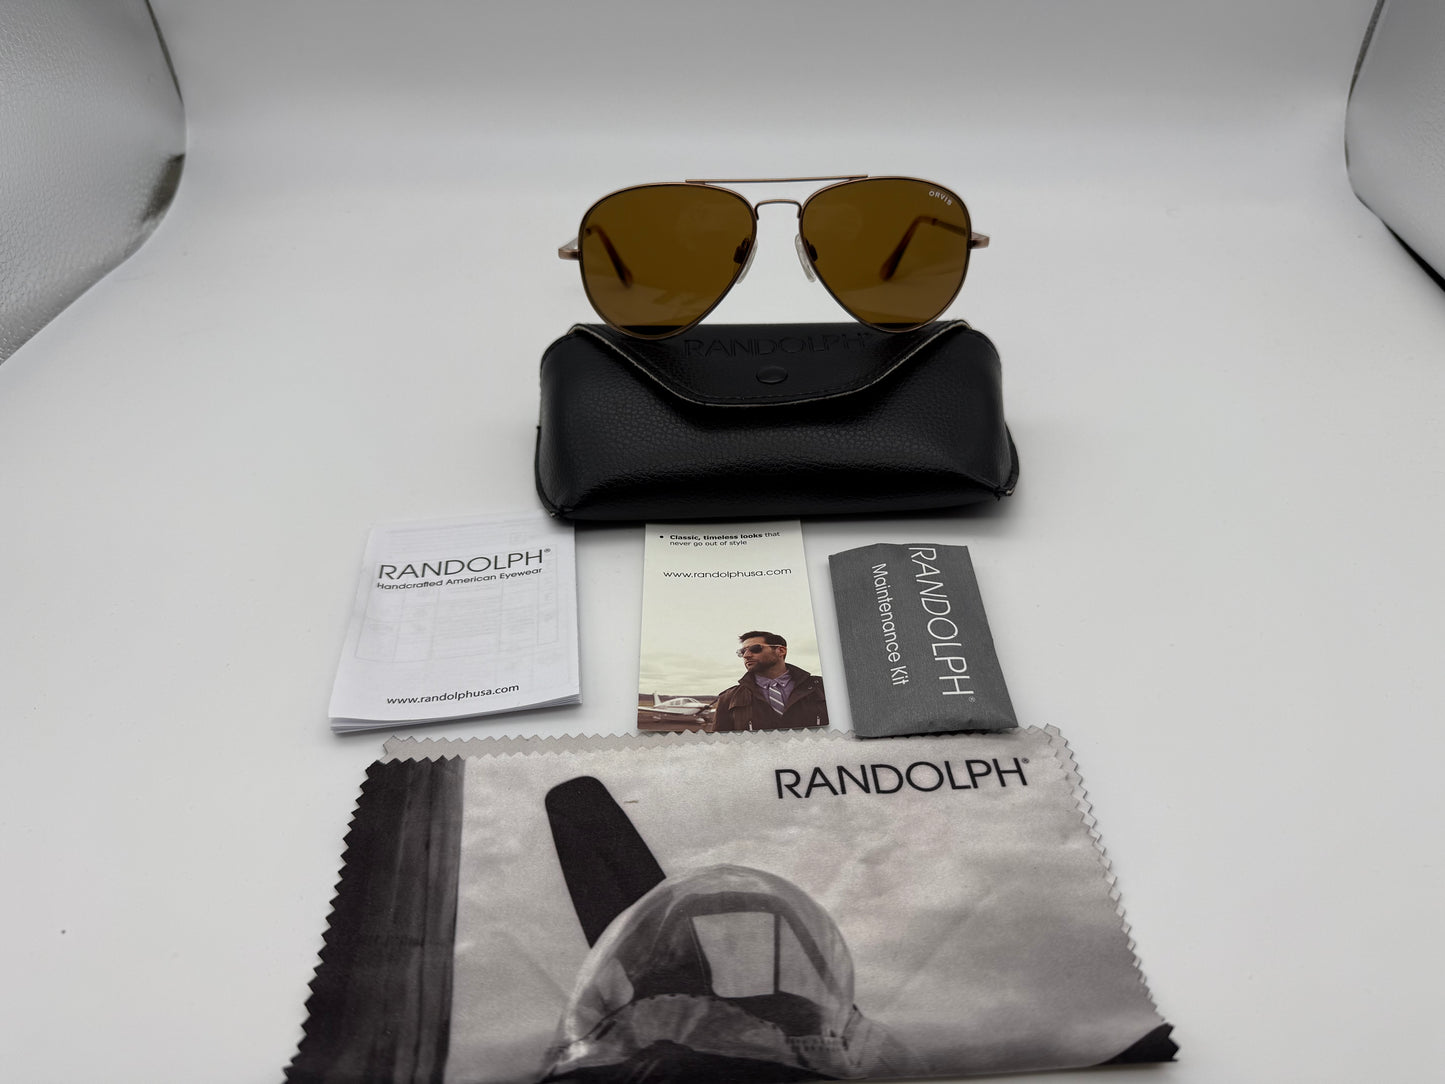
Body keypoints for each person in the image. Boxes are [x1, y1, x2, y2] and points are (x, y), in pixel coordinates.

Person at [712, 631, 827, 732]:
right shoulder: (728, 698)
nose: (746, 655)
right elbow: (722, 745)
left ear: (781, 651)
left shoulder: (823, 687)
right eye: (742, 652)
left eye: (755, 649)